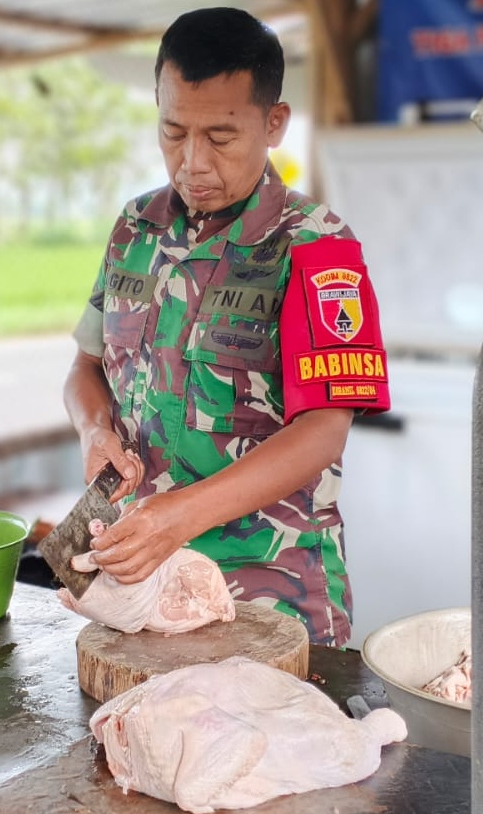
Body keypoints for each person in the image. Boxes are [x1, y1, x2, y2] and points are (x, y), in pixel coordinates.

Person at [62, 6, 390, 647]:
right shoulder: (135, 228)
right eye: (172, 131)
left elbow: (325, 429)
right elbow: (85, 367)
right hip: (129, 559)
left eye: (219, 137)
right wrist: (93, 430)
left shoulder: (314, 245)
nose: (192, 163)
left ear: (274, 124)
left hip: (260, 580)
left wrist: (176, 518)